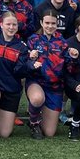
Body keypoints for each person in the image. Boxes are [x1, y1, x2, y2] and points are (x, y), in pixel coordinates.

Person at [0, 11, 36, 142]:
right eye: (8, 24)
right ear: (1, 25)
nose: (11, 27)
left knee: (4, 133)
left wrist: (29, 64)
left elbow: (19, 73)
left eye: (14, 25)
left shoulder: (22, 47)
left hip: (11, 90)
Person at [25, 9, 67, 139]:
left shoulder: (62, 41)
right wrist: (32, 61)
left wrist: (74, 59)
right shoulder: (33, 40)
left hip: (55, 87)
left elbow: (70, 67)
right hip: (36, 82)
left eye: (53, 23)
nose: (50, 26)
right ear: (41, 23)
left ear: (57, 24)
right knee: (37, 98)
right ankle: (33, 122)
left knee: (49, 133)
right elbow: (24, 64)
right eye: (47, 23)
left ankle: (39, 112)